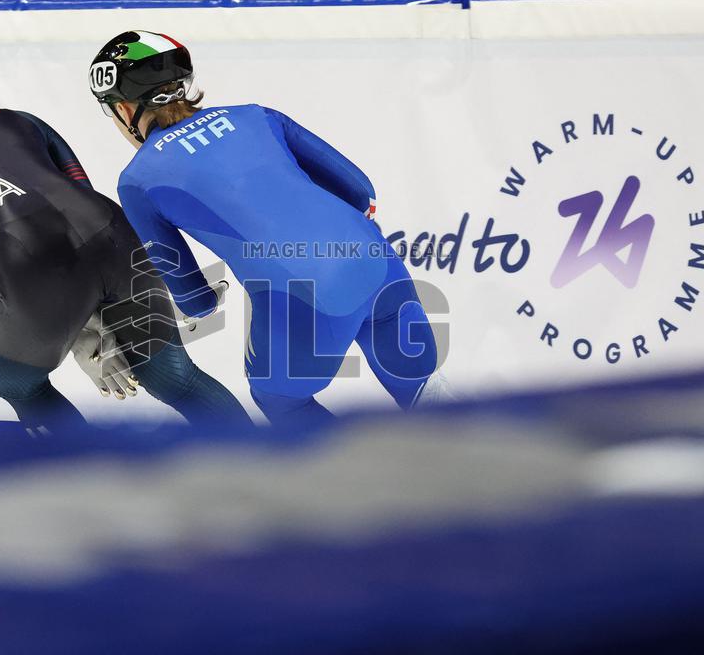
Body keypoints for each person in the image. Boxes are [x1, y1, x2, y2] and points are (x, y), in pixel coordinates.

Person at [0, 45, 251, 433]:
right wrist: (102, 305)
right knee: (175, 379)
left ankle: (87, 482)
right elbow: (79, 192)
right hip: (111, 233)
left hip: (36, 273)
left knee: (14, 382)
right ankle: (264, 462)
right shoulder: (20, 120)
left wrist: (71, 328)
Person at [88, 31, 447, 426]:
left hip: (301, 294)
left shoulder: (137, 180)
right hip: (377, 262)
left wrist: (205, 300)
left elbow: (194, 301)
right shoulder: (255, 114)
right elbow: (362, 194)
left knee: (278, 399)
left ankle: (365, 480)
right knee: (423, 389)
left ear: (124, 109)